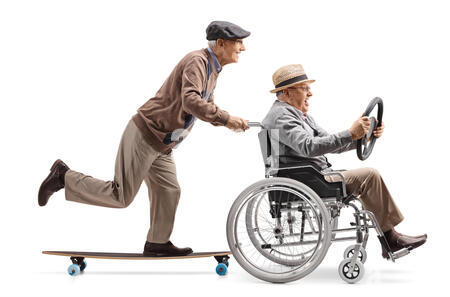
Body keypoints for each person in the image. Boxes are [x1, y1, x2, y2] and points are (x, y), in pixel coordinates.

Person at [38, 21, 250, 256]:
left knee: (169, 190)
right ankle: (63, 177)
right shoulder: (197, 61)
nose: (243, 48)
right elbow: (191, 101)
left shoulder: (212, 68)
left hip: (162, 145)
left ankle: (157, 243)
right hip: (145, 135)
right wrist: (226, 118)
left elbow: (205, 105)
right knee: (120, 196)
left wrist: (227, 121)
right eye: (238, 42)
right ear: (220, 43)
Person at [261, 64, 427, 258]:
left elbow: (329, 143)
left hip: (313, 175)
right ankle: (391, 239)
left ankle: (389, 238)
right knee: (370, 176)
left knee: (366, 176)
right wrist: (350, 133)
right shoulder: (281, 116)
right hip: (305, 179)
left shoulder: (300, 116)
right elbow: (309, 147)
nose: (311, 93)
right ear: (287, 92)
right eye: (305, 88)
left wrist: (361, 136)